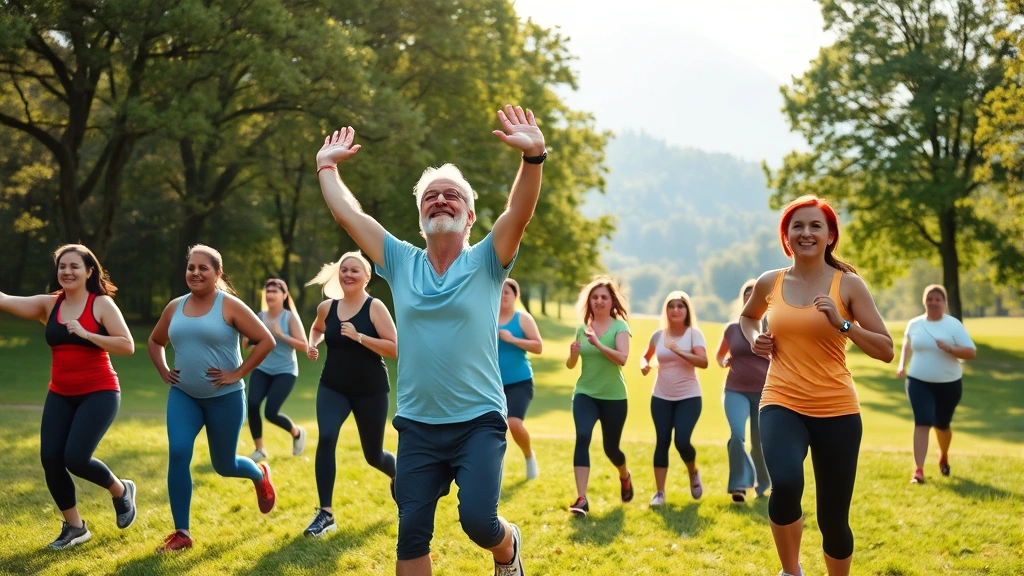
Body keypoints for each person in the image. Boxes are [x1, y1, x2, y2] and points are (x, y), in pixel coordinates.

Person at [314, 104, 544, 575]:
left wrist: (533, 159)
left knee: (479, 522)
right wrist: (326, 166)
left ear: (470, 213)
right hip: (418, 425)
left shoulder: (487, 260)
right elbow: (349, 216)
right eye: (431, 197)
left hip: (478, 420)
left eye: (452, 195)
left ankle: (508, 548)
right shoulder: (400, 261)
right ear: (420, 216)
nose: (441, 200)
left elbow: (518, 212)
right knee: (411, 534)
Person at [740, 195, 893, 576]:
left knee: (833, 520)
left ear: (829, 236)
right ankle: (791, 571)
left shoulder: (849, 286)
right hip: (781, 401)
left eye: (815, 226)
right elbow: (747, 318)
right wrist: (755, 337)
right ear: (786, 236)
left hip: (837, 410)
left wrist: (843, 324)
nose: (806, 232)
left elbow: (886, 350)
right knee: (787, 482)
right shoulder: (769, 282)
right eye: (798, 226)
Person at [0, 244, 137, 549]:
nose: (67, 271)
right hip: (60, 393)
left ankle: (121, 490)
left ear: (90, 271)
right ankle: (75, 527)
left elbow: (127, 345)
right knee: (50, 457)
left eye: (74, 266)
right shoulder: (50, 305)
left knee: (75, 457)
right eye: (62, 266)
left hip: (99, 392)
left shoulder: (100, 305)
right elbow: (5, 300)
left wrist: (88, 334)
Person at [147, 244, 278, 553]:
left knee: (225, 465)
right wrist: (164, 369)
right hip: (184, 395)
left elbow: (265, 341)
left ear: (217, 273)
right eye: (191, 267)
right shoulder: (174, 307)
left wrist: (237, 373)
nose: (195, 272)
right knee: (178, 452)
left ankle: (259, 474)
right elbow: (155, 340)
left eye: (203, 268)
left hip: (225, 398)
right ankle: (182, 533)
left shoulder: (229, 306)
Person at [302, 251, 398, 537]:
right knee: (327, 436)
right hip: (333, 386)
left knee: (373, 455)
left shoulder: (375, 307)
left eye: (355, 270)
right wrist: (313, 343)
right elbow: (317, 329)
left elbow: (395, 348)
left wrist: (359, 337)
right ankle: (326, 514)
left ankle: (397, 473)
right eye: (344, 270)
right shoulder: (326, 308)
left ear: (367, 277)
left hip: (370, 391)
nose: (348, 275)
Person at [565, 277, 633, 517]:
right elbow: (571, 365)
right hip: (585, 393)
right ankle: (582, 498)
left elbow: (622, 358)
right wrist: (573, 354)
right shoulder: (583, 328)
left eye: (604, 297)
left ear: (612, 300)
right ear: (589, 302)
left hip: (614, 397)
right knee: (582, 437)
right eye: (595, 297)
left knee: (611, 448)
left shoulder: (620, 327)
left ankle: (624, 475)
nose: (599, 301)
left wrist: (598, 344)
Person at [896, 284, 976, 484]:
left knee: (942, 424)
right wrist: (901, 365)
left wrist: (950, 348)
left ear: (944, 302)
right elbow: (907, 345)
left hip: (949, 384)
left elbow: (970, 352)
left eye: (937, 299)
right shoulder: (914, 324)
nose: (933, 302)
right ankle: (919, 471)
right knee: (922, 421)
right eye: (929, 299)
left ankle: (943, 455)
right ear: (924, 301)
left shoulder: (953, 325)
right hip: (918, 381)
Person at [639, 291, 708, 506]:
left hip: (689, 396)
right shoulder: (658, 335)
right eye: (671, 306)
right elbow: (645, 355)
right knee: (662, 442)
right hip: (661, 396)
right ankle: (660, 493)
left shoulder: (694, 335)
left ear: (687, 311)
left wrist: (678, 351)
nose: (675, 310)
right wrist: (644, 365)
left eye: (680, 306)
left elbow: (703, 362)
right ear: (666, 311)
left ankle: (693, 471)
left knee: (682, 441)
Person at [714, 280, 771, 502]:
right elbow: (719, 356)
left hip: (764, 392)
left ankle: (763, 484)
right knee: (737, 436)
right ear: (743, 299)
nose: (750, 298)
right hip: (735, 389)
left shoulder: (771, 327)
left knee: (760, 443)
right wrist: (723, 360)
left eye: (755, 294)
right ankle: (738, 485)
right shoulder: (732, 329)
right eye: (747, 294)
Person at [243, 278, 308, 462]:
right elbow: (247, 345)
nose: (270, 294)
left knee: (271, 412)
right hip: (262, 368)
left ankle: (296, 433)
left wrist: (281, 335)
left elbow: (304, 346)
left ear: (284, 295)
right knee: (253, 404)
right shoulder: (260, 316)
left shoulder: (289, 317)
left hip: (285, 371)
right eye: (268, 291)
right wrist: (249, 338)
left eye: (275, 291)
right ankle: (260, 449)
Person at [497, 278, 544, 480]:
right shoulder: (487, 317)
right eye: (500, 291)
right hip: (491, 384)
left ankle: (528, 456)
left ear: (516, 296)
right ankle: (494, 470)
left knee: (514, 424)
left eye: (508, 291)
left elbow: (538, 346)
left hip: (520, 382)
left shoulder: (523, 318)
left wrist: (512, 339)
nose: (504, 295)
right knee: (491, 429)